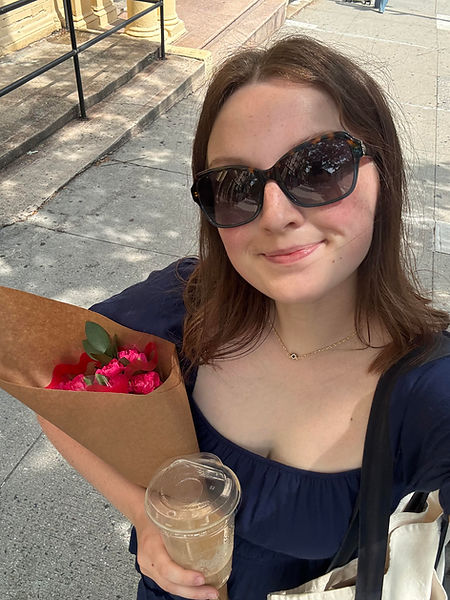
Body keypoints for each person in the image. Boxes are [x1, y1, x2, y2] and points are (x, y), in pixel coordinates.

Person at [38, 35, 450, 600]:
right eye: (234, 186)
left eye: (319, 168)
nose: (275, 215)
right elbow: (54, 393)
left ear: (385, 173)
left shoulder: (430, 391)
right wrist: (142, 512)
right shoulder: (184, 306)